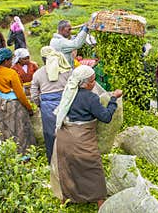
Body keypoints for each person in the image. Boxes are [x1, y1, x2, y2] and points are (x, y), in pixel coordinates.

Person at [50, 65, 122, 209]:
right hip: (81, 140)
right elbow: (106, 117)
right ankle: (100, 202)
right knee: (93, 169)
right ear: (87, 83)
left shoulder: (69, 92)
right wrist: (113, 99)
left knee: (68, 168)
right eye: (93, 81)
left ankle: (65, 200)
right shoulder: (91, 98)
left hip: (63, 138)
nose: (95, 83)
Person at [0, 48, 36, 154]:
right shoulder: (11, 73)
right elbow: (20, 94)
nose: (12, 62)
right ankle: (24, 154)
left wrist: (0, 97)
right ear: (5, 61)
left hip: (0, 103)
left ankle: (9, 151)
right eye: (11, 60)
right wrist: (29, 108)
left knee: (6, 127)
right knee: (20, 129)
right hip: (14, 104)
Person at [30, 46, 72, 164]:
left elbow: (34, 94)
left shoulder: (38, 73)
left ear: (43, 59)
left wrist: (40, 105)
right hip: (65, 103)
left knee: (50, 133)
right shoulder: (66, 70)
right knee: (67, 130)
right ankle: (69, 159)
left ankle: (53, 161)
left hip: (47, 106)